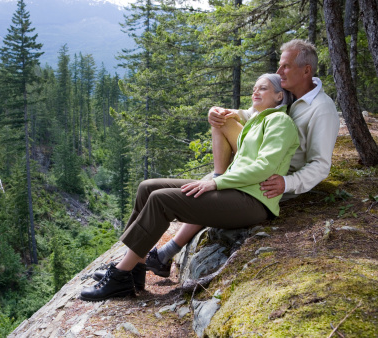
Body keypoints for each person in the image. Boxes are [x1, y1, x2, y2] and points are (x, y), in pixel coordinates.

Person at [79, 73, 299, 301]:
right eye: (254, 88)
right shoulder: (255, 121)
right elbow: (231, 126)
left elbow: (264, 168)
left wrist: (215, 182)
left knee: (161, 200)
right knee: (148, 187)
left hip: (253, 201)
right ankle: (136, 268)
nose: (255, 92)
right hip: (233, 190)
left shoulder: (280, 122)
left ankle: (119, 277)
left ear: (279, 96)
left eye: (262, 89)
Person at [149, 40, 340, 276]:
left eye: (285, 67)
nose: (279, 72)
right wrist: (221, 113)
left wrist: (287, 183)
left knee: (205, 189)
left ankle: (166, 252)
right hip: (261, 163)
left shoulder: (322, 108)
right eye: (280, 67)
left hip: (274, 179)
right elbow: (254, 115)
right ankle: (219, 178)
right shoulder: (287, 93)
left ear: (306, 70)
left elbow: (321, 165)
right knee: (222, 119)